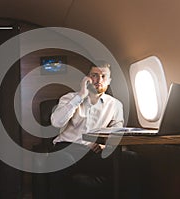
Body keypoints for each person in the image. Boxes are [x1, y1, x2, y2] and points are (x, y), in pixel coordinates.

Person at [48, 63, 141, 199]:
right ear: (87, 78)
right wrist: (80, 95)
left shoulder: (115, 105)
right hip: (67, 148)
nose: (99, 80)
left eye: (104, 76)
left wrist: (106, 145)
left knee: (131, 158)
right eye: (95, 75)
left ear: (109, 81)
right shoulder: (69, 98)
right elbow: (56, 122)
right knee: (61, 160)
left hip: (93, 153)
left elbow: (117, 132)